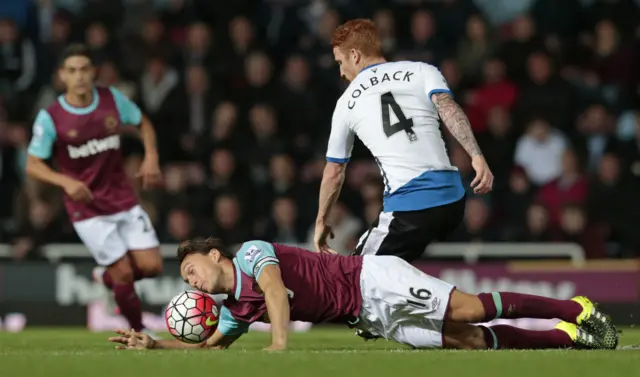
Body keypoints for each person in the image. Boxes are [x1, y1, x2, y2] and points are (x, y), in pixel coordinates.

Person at [108, 238, 618, 351]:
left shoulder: (249, 253)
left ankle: (577, 307)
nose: (191, 280)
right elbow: (212, 346)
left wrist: (280, 341)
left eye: (192, 269)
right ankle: (569, 337)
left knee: (469, 306)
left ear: (214, 255)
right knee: (467, 340)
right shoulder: (234, 307)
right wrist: (158, 344)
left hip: (371, 278)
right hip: (368, 317)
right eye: (186, 279)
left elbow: (278, 292)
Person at [314, 19, 493, 261]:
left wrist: (321, 221)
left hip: (410, 207)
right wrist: (477, 156)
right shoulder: (422, 70)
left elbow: (335, 171)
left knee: (353, 276)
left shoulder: (347, 102)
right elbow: (448, 108)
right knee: (394, 277)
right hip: (452, 200)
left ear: (354, 55)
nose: (341, 72)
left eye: (340, 62)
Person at [26, 44, 163, 337]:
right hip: (87, 208)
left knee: (152, 266)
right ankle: (139, 332)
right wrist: (66, 182)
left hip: (123, 198)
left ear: (93, 72)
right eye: (72, 70)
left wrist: (150, 155)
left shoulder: (111, 99)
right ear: (62, 76)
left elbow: (143, 123)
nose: (79, 76)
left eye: (84, 69)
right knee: (125, 273)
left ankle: (106, 277)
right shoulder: (51, 117)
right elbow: (33, 164)